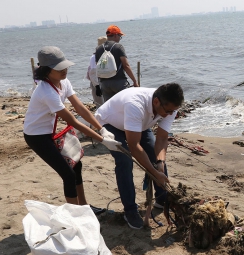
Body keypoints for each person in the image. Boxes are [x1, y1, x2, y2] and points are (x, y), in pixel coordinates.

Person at [23, 46, 122, 213]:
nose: (64, 70)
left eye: (65, 66)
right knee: (68, 174)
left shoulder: (64, 82)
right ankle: (74, 215)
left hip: (53, 131)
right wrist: (102, 140)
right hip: (37, 136)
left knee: (77, 165)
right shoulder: (46, 91)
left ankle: (83, 207)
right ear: (47, 71)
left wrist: (102, 128)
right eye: (59, 68)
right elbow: (73, 121)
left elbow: (80, 107)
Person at [95, 83, 184, 229]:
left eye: (172, 111)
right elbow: (134, 146)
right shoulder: (135, 104)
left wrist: (160, 163)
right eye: (167, 111)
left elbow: (161, 139)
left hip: (138, 125)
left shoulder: (170, 107)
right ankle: (130, 210)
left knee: (156, 158)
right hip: (110, 124)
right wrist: (153, 172)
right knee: (125, 160)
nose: (170, 114)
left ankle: (162, 199)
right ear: (156, 102)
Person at [94, 25, 139, 102]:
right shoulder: (118, 47)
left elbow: (98, 66)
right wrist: (135, 81)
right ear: (115, 35)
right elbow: (126, 66)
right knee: (126, 103)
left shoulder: (98, 48)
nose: (120, 39)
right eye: (120, 36)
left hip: (104, 84)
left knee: (110, 107)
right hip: (119, 82)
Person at [87, 36, 107, 107]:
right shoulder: (94, 57)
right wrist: (97, 87)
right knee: (100, 105)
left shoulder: (105, 55)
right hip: (96, 83)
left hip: (103, 83)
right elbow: (93, 73)